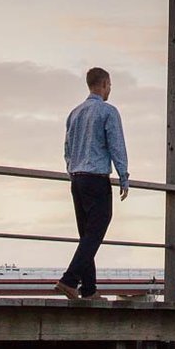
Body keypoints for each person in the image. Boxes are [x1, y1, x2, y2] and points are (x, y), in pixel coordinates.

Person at [53, 68, 128, 301]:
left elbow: (66, 149)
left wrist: (71, 171)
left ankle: (89, 290)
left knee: (86, 234)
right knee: (95, 232)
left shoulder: (74, 113)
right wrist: (123, 175)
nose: (110, 90)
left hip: (77, 178)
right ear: (104, 84)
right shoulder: (108, 111)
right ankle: (69, 280)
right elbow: (116, 144)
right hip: (96, 178)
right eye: (110, 85)